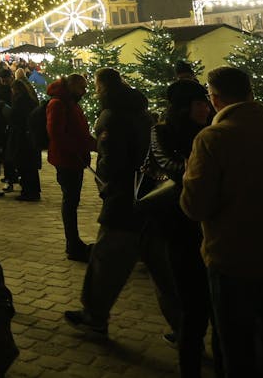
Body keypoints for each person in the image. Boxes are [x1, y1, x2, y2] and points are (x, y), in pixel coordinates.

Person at [180, 67, 263, 378]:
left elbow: (195, 206)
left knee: (238, 349)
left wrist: (190, 176)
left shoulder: (212, 139)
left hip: (231, 259)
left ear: (215, 100)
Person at [64, 68, 180, 340]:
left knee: (106, 261)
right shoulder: (142, 113)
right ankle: (184, 326)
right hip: (151, 196)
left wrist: (104, 179)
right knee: (163, 270)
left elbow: (110, 161)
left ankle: (94, 317)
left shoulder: (111, 116)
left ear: (102, 86)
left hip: (123, 200)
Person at [144, 79, 215, 377]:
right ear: (185, 107)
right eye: (199, 104)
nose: (205, 108)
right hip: (175, 221)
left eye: (206, 103)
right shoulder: (162, 131)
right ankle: (190, 355)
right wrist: (195, 169)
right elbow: (167, 164)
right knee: (189, 298)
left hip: (207, 222)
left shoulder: (211, 132)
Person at [44, 73, 96, 261]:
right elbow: (56, 134)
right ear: (72, 86)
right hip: (67, 159)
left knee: (72, 201)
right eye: (82, 87)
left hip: (74, 157)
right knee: (70, 202)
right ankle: (72, 244)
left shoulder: (70, 102)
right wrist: (78, 149)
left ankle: (74, 243)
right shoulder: (58, 103)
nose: (85, 91)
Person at [5, 80, 42, 202]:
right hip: (30, 137)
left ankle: (28, 191)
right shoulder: (30, 100)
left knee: (24, 165)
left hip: (21, 137)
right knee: (30, 166)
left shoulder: (20, 101)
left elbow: (14, 117)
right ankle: (33, 190)